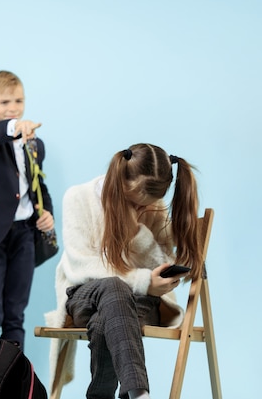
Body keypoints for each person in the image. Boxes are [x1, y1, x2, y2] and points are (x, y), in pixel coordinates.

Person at [44, 143, 203, 399]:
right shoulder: (78, 197)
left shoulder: (154, 208)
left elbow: (161, 261)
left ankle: (121, 394)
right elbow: (82, 265)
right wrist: (141, 281)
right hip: (84, 297)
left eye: (145, 206)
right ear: (120, 182)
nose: (140, 210)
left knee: (105, 319)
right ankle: (140, 394)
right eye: (133, 202)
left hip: (137, 305)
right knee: (113, 288)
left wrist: (138, 233)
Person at [0, 70, 55, 350]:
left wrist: (47, 213)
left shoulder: (35, 144)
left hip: (24, 236)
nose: (13, 108)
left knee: (15, 316)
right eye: (4, 102)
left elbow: (37, 183)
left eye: (18, 101)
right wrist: (14, 127)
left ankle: (9, 381)